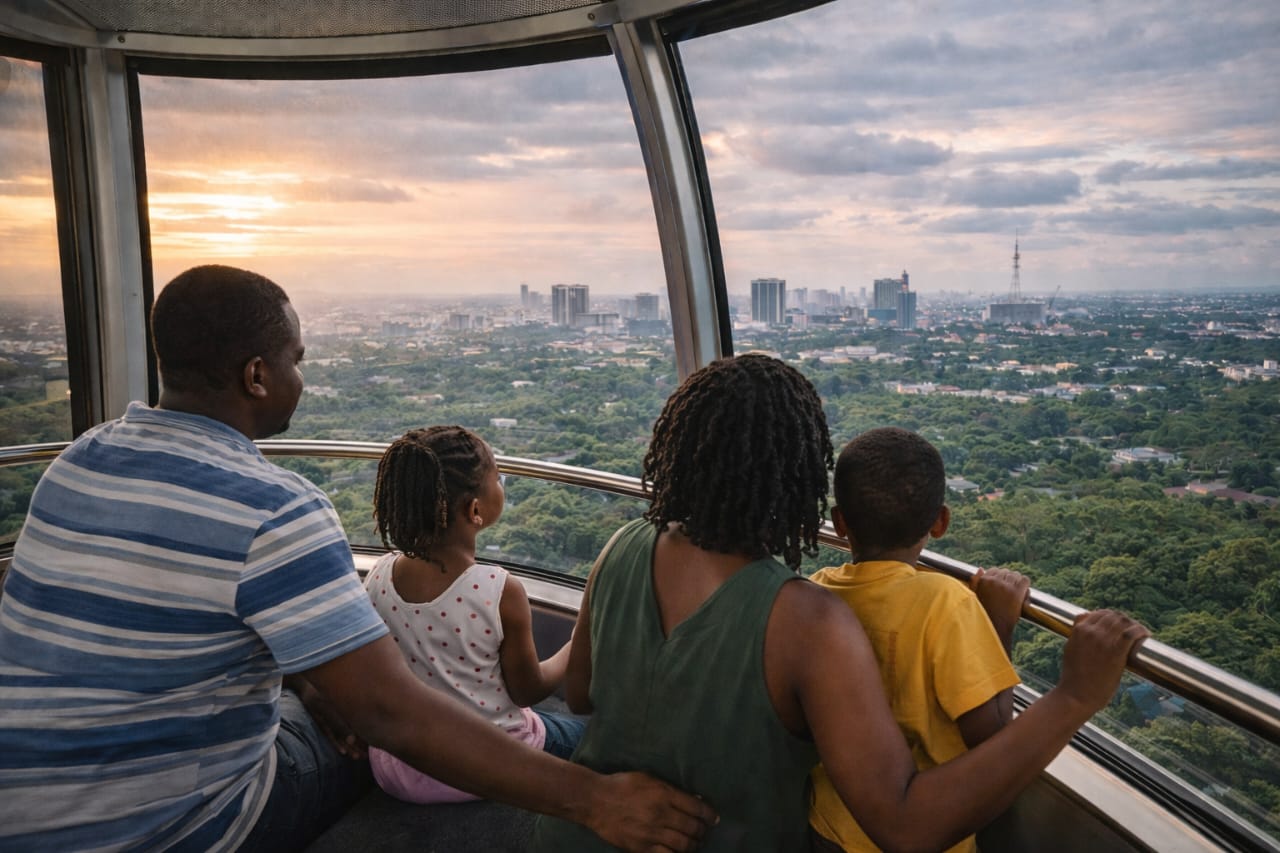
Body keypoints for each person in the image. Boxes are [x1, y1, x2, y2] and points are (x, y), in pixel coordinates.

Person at [0, 265, 714, 853]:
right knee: (353, 745)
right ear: (256, 376)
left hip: (21, 808)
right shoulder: (271, 507)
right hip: (174, 828)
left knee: (322, 706)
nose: (301, 377)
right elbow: (390, 712)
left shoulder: (76, 462)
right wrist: (596, 800)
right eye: (296, 361)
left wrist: (314, 684)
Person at [531, 353, 1148, 852]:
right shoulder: (805, 619)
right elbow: (905, 825)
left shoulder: (622, 545)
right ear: (798, 476)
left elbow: (583, 694)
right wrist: (1074, 697)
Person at [808, 426, 1030, 852]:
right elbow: (994, 738)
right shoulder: (946, 601)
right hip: (923, 835)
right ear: (941, 521)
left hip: (829, 826)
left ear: (839, 524)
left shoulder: (817, 591)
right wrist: (998, 623)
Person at [363, 425, 586, 802]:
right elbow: (528, 690)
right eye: (498, 477)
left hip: (402, 768)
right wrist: (577, 642)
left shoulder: (378, 576)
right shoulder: (499, 590)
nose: (502, 482)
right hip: (491, 764)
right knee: (589, 737)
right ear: (475, 509)